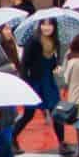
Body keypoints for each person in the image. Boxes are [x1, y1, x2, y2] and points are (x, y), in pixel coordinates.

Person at [15, 17, 65, 148]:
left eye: (50, 25)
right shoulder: (32, 42)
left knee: (57, 112)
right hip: (34, 82)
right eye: (44, 24)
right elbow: (25, 64)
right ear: (40, 26)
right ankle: (13, 138)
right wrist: (25, 84)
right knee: (28, 114)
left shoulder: (56, 42)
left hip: (48, 82)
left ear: (54, 27)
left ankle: (62, 143)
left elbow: (54, 62)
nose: (46, 27)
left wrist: (57, 67)